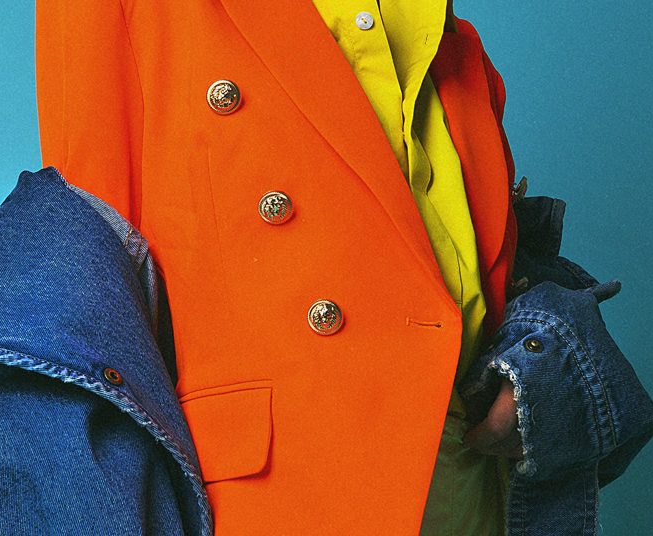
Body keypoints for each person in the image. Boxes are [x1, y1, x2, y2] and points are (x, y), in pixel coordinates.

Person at [34, 0, 528, 533]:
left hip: (473, 481)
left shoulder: (439, 24)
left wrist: (528, 358)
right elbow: (89, 294)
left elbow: (457, 252)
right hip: (283, 490)